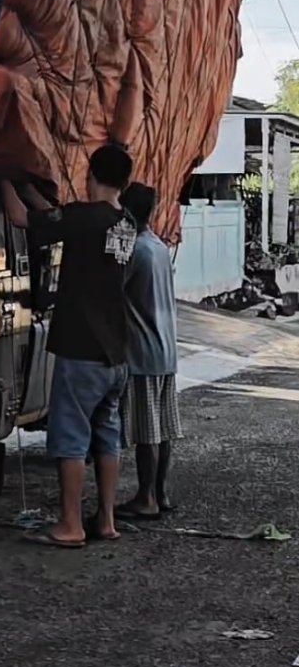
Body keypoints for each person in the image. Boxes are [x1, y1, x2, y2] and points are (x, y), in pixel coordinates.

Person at [3, 143, 137, 549]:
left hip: (82, 347)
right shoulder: (126, 221)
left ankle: (71, 525)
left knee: (71, 437)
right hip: (117, 351)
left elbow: (22, 219)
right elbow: (54, 215)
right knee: (106, 435)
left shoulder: (84, 217)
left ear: (89, 175)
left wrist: (3, 180)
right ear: (126, 182)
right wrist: (29, 188)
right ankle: (107, 520)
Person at [115, 181, 181, 520]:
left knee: (146, 431)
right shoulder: (156, 246)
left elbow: (112, 290)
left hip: (143, 352)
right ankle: (160, 492)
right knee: (163, 427)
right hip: (167, 349)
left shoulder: (135, 250)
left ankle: (145, 498)